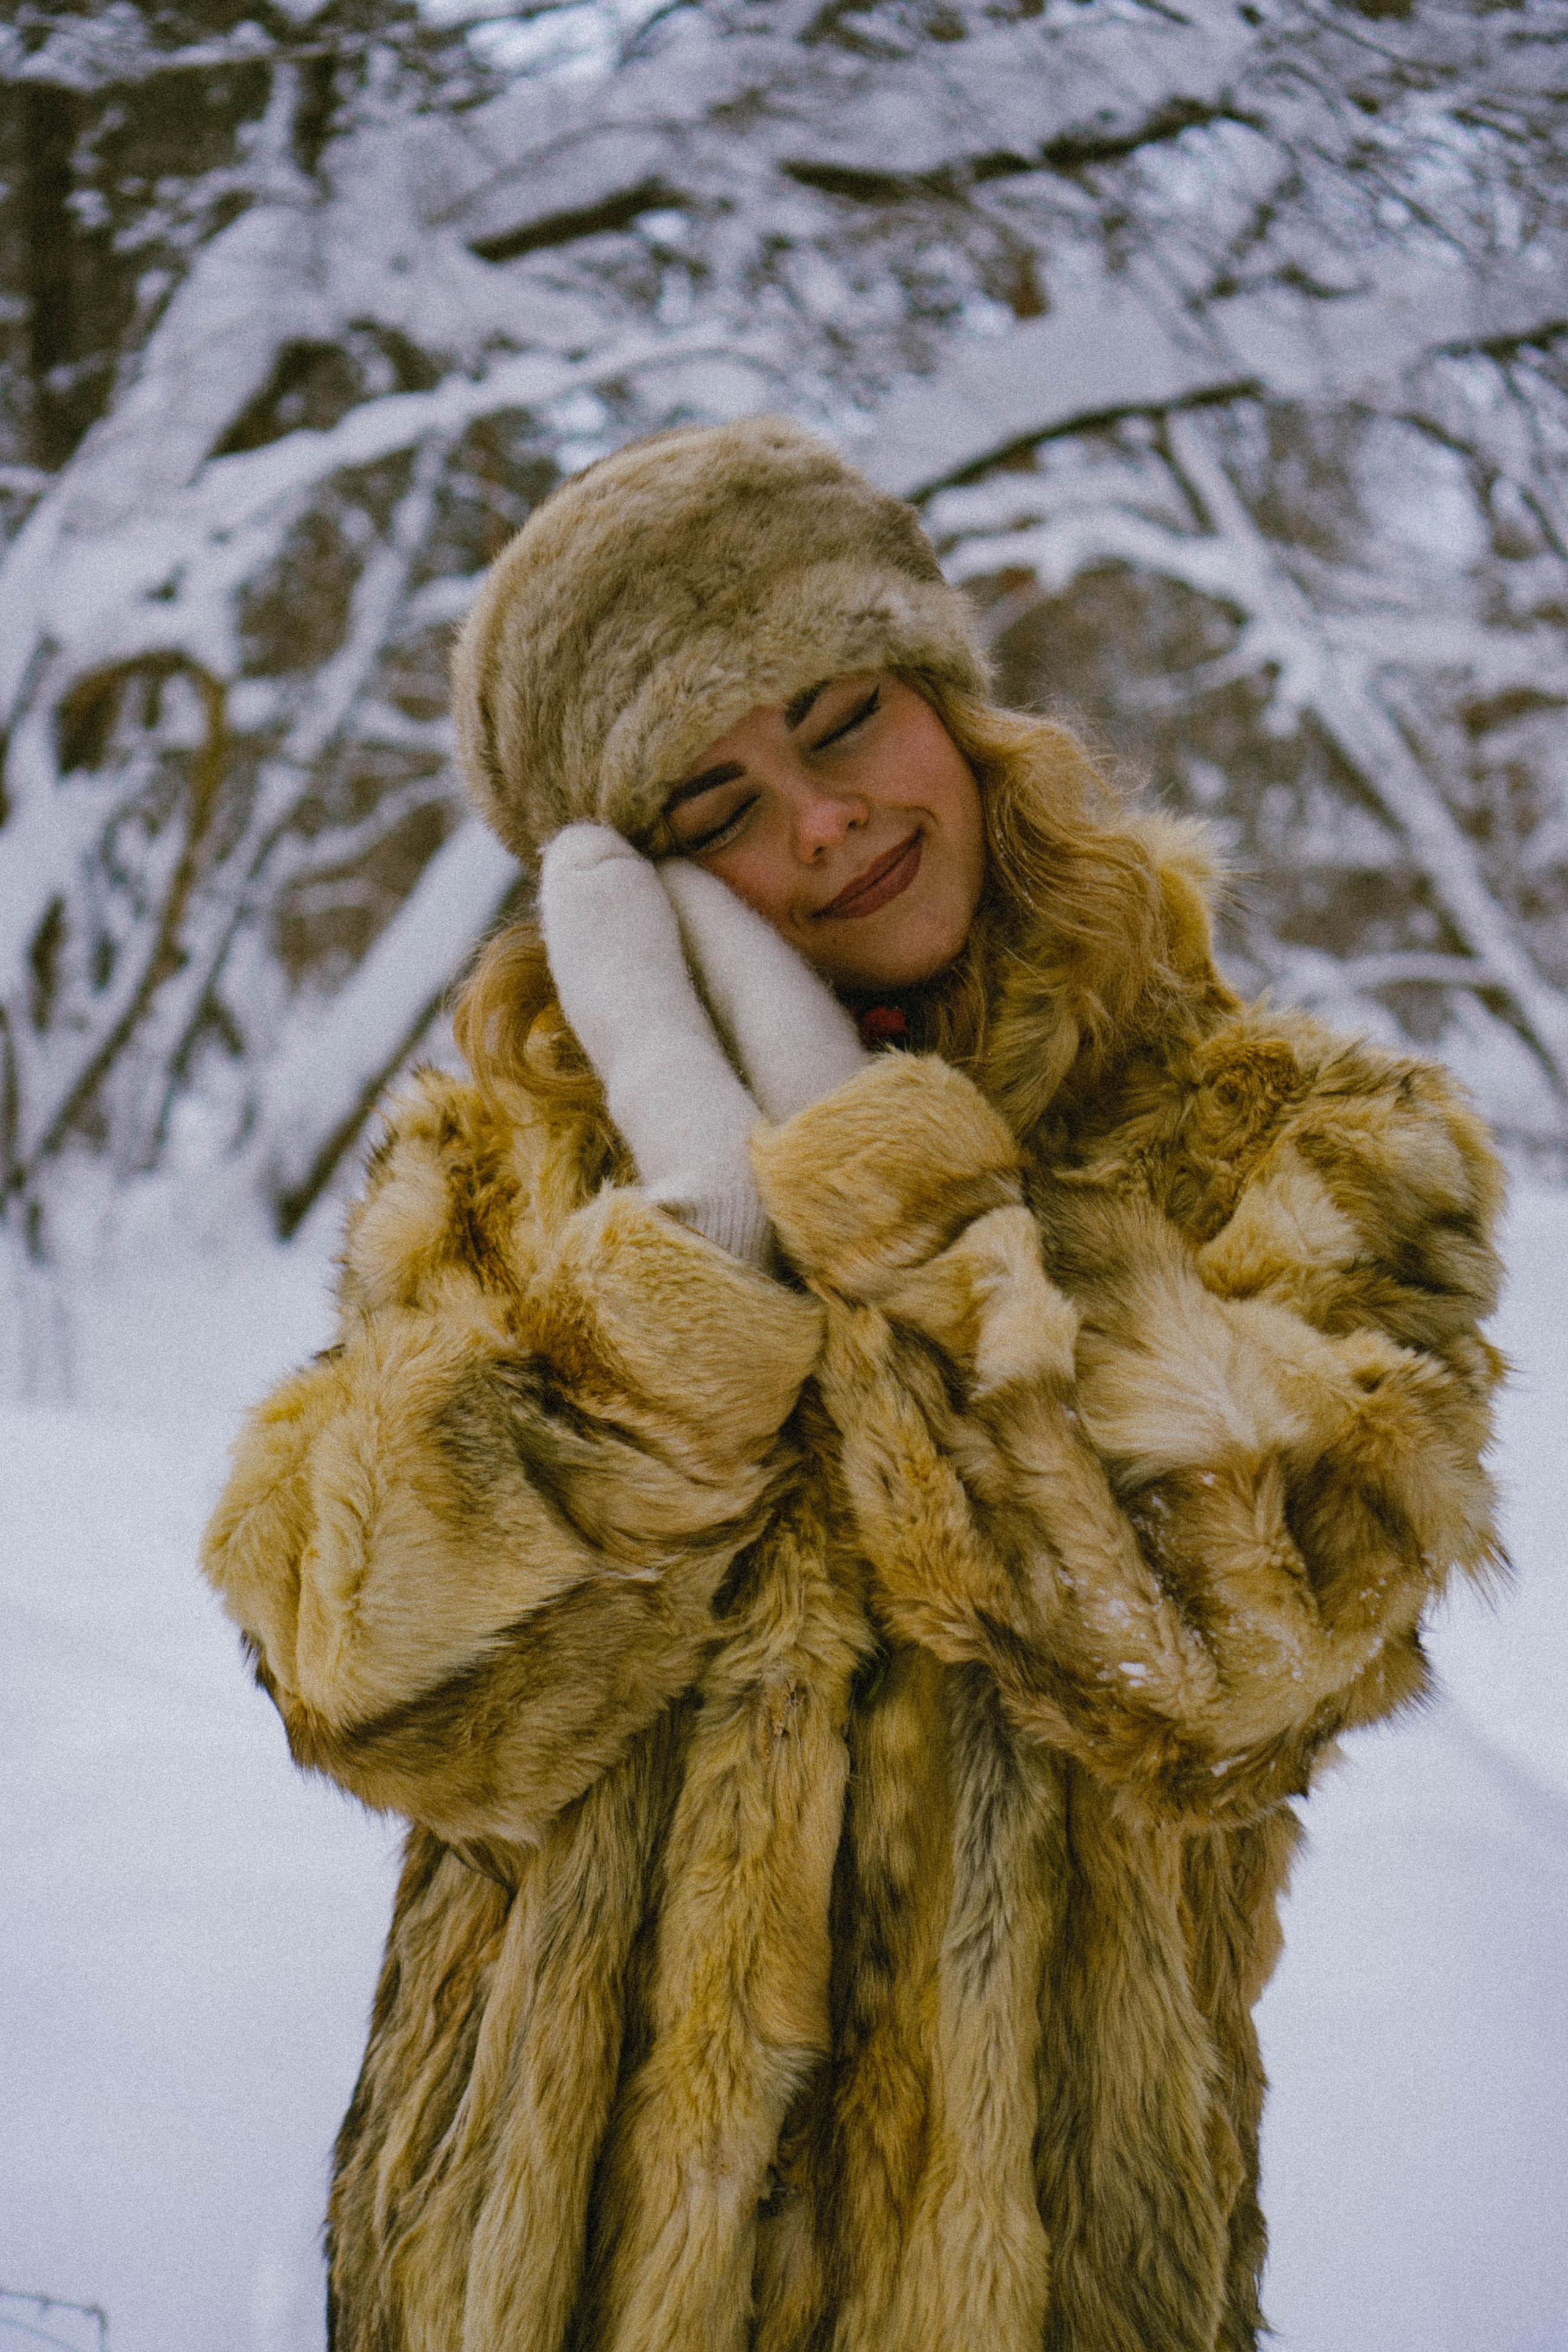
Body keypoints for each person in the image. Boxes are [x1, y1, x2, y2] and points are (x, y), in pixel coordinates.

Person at [201, 417, 1505, 2352]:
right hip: (526, 2281)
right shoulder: (510, 1171)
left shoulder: (1299, 1145)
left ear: (952, 706)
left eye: (838, 716)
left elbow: (1229, 1660)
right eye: (711, 807)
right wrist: (684, 1279)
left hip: (1035, 2280)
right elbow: (364, 1679)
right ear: (634, 886)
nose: (820, 823)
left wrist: (882, 1190)